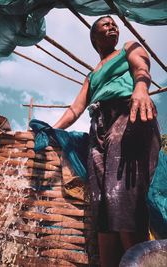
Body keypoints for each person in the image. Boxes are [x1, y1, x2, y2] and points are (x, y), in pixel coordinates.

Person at [53, 16, 160, 267]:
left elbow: (141, 68)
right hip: (98, 124)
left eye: (114, 24)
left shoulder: (128, 47)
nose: (113, 27)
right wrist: (49, 129)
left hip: (128, 113)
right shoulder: (92, 75)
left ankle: (138, 262)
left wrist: (141, 89)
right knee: (101, 201)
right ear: (94, 37)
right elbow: (75, 110)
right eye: (106, 24)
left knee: (122, 193)